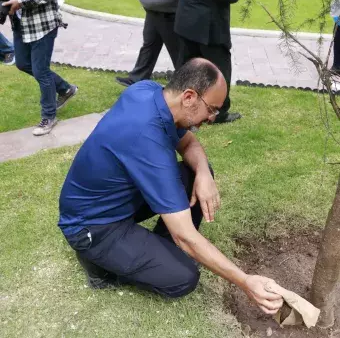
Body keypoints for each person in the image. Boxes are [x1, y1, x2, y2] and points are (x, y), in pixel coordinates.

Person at [58, 58, 283, 315]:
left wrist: (204, 175)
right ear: (189, 97)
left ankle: (154, 250)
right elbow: (185, 237)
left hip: (115, 198)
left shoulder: (148, 92)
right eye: (211, 109)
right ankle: (100, 266)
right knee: (183, 278)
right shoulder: (147, 141)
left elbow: (188, 145)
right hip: (92, 226)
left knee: (197, 171)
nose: (211, 118)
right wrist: (245, 281)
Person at [3, 0, 78, 136]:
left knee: (41, 71)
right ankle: (65, 89)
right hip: (21, 25)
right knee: (22, 63)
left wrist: (20, 1)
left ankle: (49, 117)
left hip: (41, 26)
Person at [174, 0, 241, 124]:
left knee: (186, 67)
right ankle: (218, 112)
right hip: (209, 24)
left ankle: (180, 107)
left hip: (187, 16)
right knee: (220, 68)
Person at [116, 0, 180, 87]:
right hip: (153, 11)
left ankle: (189, 82)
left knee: (177, 51)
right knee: (149, 46)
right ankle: (137, 78)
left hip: (170, 13)